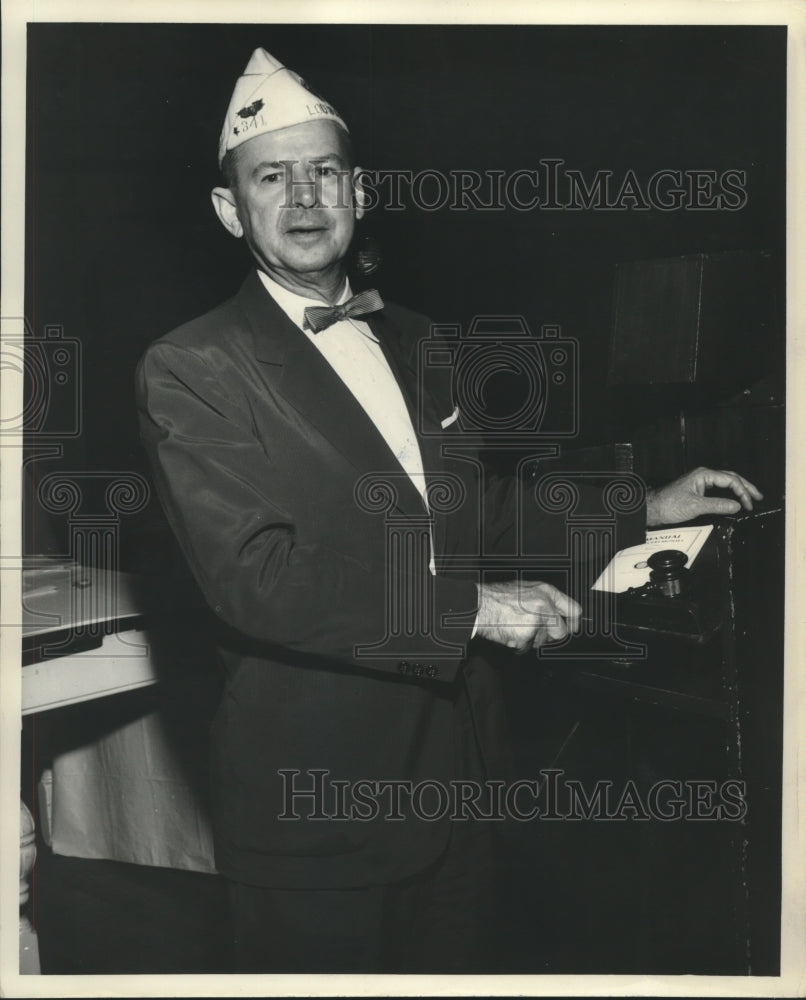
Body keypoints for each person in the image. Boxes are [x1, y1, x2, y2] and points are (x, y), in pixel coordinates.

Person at [135, 47, 762, 974]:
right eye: (274, 177)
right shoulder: (191, 369)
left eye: (327, 172)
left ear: (360, 192)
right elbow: (258, 579)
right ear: (232, 209)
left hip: (461, 789)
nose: (306, 199)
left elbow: (481, 512)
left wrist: (643, 503)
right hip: (319, 809)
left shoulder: (419, 338)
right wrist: (472, 609)